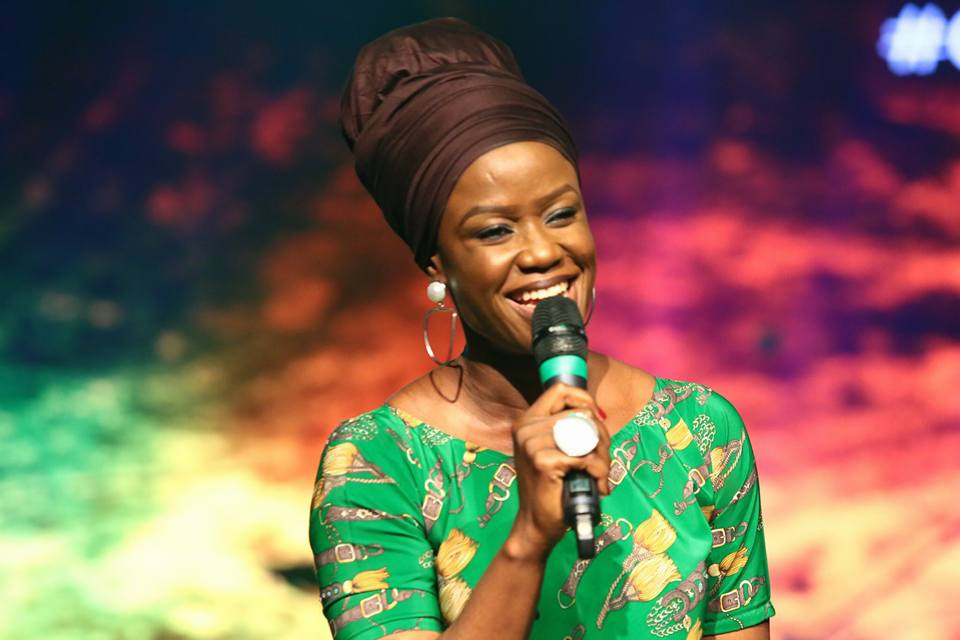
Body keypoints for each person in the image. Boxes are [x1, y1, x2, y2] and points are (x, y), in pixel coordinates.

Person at [309, 17, 775, 640]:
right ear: (436, 263)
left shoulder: (699, 430)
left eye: (561, 214)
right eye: (495, 231)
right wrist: (527, 540)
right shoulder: (376, 464)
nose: (542, 252)